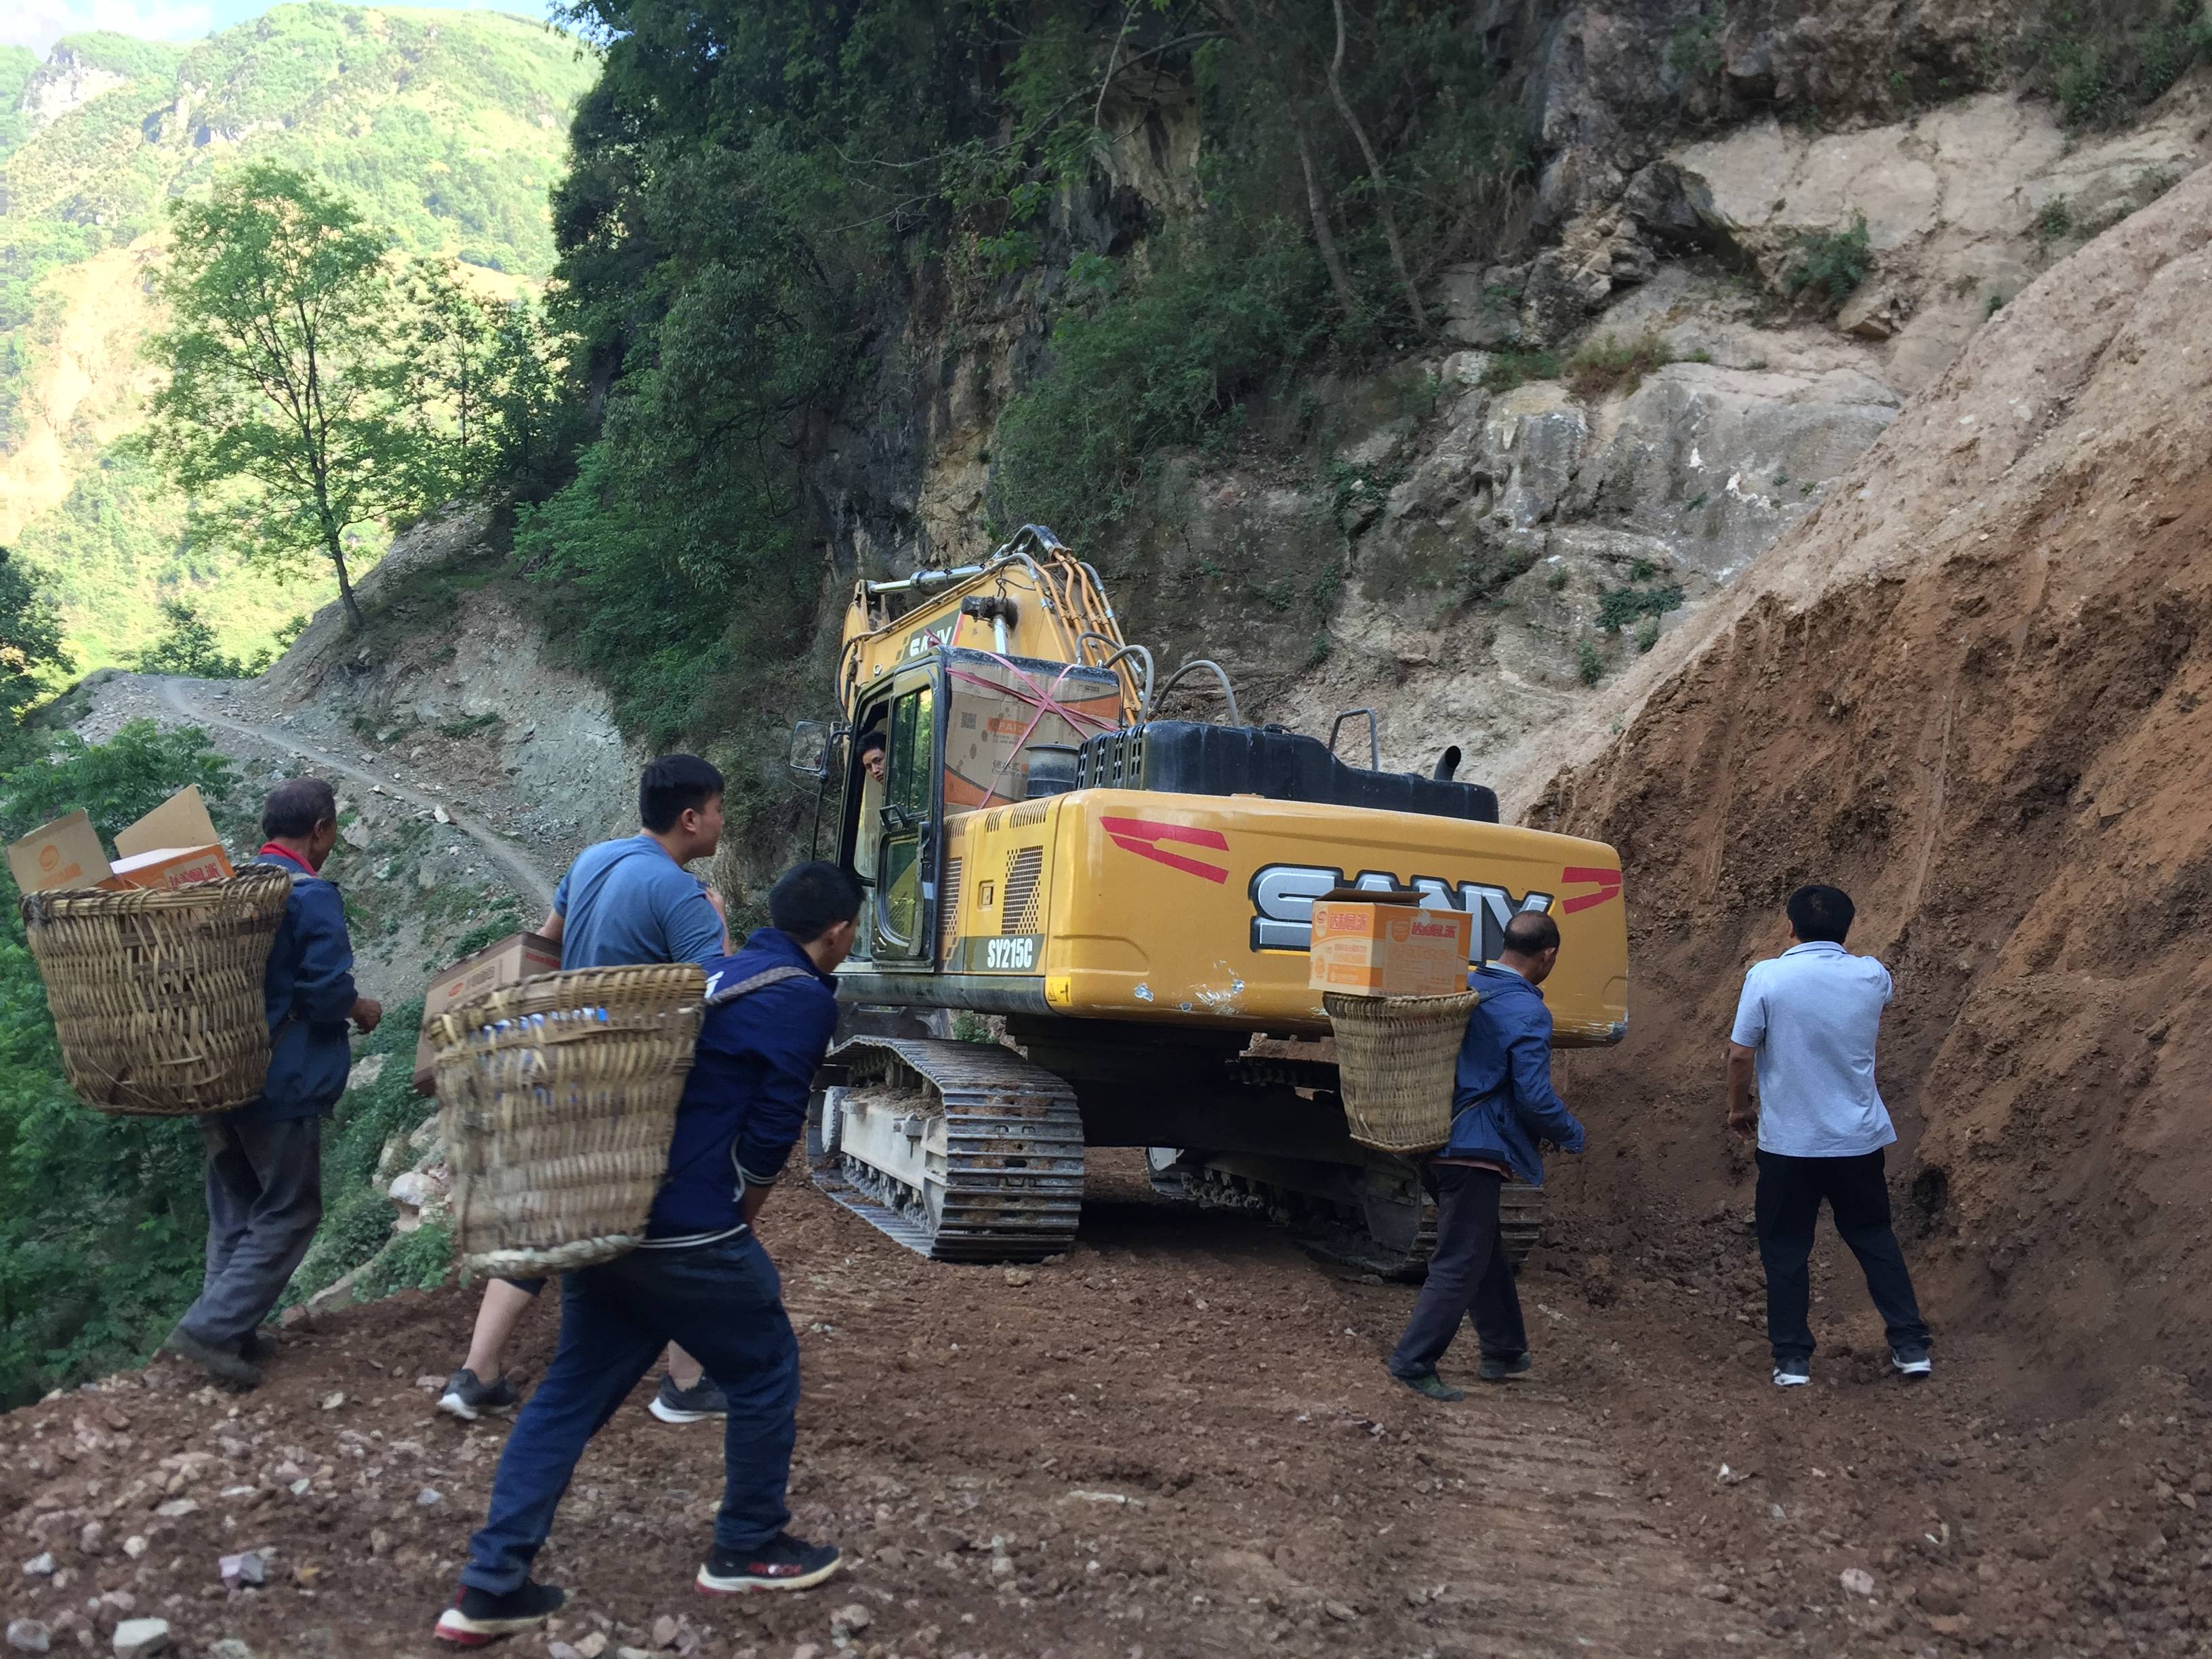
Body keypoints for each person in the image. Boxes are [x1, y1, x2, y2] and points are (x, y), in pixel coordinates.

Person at [432, 862, 863, 1646]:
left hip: (611, 1214)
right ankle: (748, 1543)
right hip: (690, 1225)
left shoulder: (715, 971)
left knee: (568, 1393)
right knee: (764, 1368)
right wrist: (742, 1221)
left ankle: (490, 1584)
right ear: (838, 932)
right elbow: (770, 1134)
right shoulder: (800, 998)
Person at [439, 755, 735, 1425]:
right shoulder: (683, 896)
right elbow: (718, 996)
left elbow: (544, 950)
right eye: (718, 809)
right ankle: (686, 1385)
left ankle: (474, 1374)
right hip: (631, 1093)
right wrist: (718, 926)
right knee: (680, 1221)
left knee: (547, 1222)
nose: (722, 820)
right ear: (691, 818)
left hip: (560, 1071)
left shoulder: (592, 861)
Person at [161, 779, 382, 1388]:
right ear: (320, 829)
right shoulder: (308, 894)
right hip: (280, 1082)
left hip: (217, 1073)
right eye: (332, 834)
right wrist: (359, 1008)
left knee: (235, 1210)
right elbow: (325, 993)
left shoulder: (232, 886)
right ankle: (205, 1334)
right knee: (289, 1210)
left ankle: (230, 1334)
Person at [1727, 884, 1932, 1387]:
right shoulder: (1871, 975)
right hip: (1856, 1141)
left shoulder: (1767, 977)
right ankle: (1910, 1345)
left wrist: (1739, 1108)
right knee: (1873, 1237)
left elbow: (1739, 1054)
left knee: (1786, 1247)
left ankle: (1792, 1360)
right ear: (1848, 928)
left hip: (1789, 1145)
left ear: (1789, 928)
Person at [1388, 909, 1586, 1402]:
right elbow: (1534, 1097)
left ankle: (1503, 1347)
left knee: (1484, 1249)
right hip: (1475, 1148)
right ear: (1549, 955)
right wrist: (1573, 1133)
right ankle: (1413, 1362)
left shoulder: (1462, 986)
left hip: (1433, 1135)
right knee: (1460, 1258)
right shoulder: (1527, 1012)